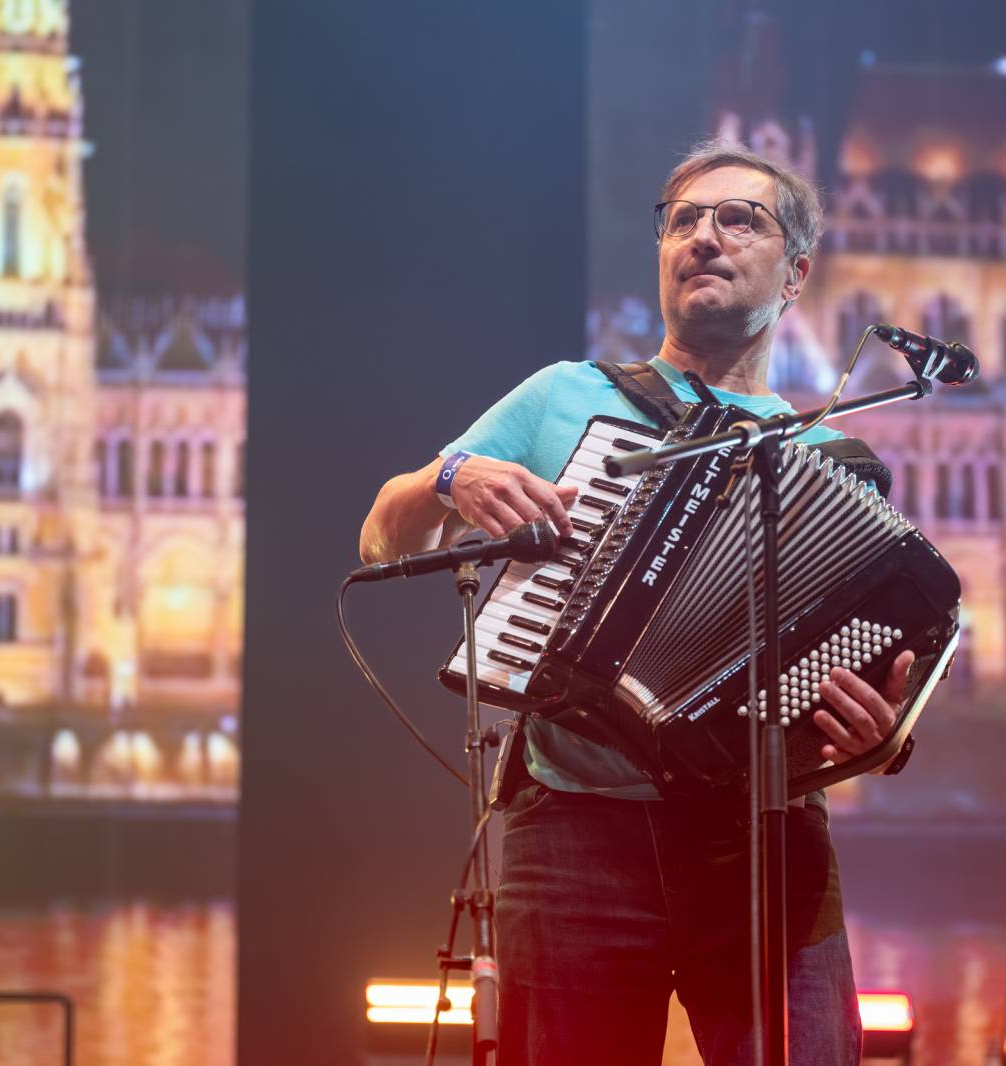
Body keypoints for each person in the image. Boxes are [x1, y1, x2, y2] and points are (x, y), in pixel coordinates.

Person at [359, 141, 910, 1065]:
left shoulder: (833, 463)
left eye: (740, 218)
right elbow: (383, 535)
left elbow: (869, 696)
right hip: (574, 829)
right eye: (683, 220)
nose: (704, 236)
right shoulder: (567, 397)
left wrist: (878, 736)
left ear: (797, 272)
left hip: (762, 842)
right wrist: (451, 478)